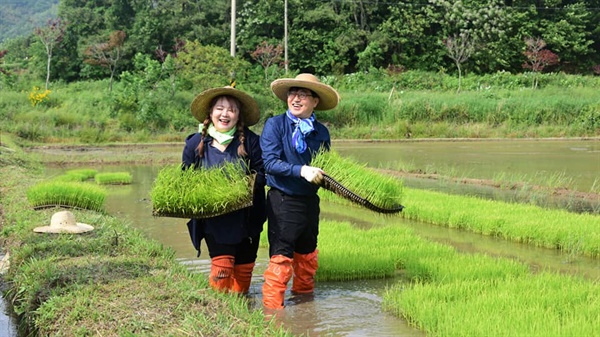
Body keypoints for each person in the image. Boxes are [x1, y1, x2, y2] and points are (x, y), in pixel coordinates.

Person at [260, 73, 340, 309]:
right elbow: (270, 163)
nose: (296, 99)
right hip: (282, 199)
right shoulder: (275, 125)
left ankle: (305, 310)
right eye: (293, 93)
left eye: (303, 94)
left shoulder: (321, 132)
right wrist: (300, 170)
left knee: (307, 257)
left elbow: (326, 166)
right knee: (282, 257)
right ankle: (273, 313)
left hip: (309, 202)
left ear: (315, 101)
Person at [182, 86, 266, 294]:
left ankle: (243, 315)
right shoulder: (196, 142)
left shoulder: (251, 141)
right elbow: (185, 179)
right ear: (210, 113)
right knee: (222, 270)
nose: (225, 114)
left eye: (231, 109)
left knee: (243, 273)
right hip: (214, 221)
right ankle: (220, 315)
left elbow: (262, 174)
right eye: (220, 108)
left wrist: (238, 189)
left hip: (247, 220)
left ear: (239, 116)